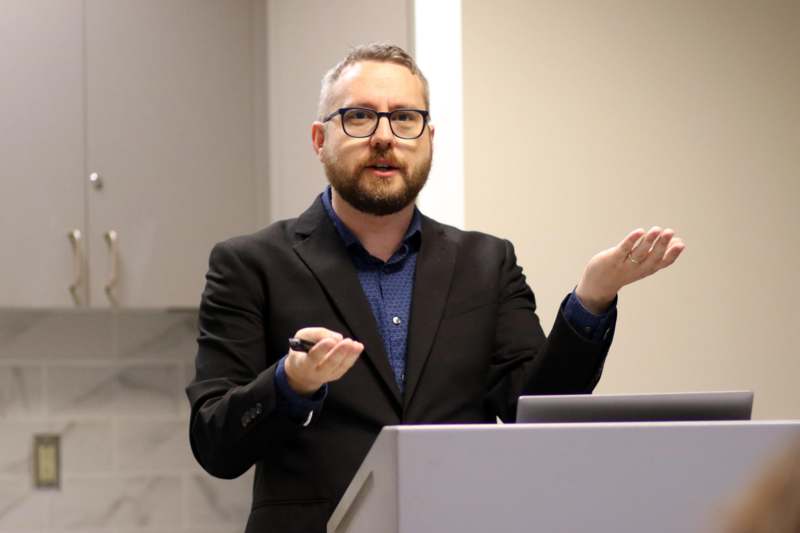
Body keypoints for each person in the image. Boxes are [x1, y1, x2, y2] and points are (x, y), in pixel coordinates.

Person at [186, 43, 685, 533]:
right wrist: (290, 383)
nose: (385, 136)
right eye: (360, 117)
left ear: (428, 138)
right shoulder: (250, 264)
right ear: (319, 139)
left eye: (405, 118)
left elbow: (534, 416)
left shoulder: (487, 263)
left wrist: (590, 301)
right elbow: (216, 446)